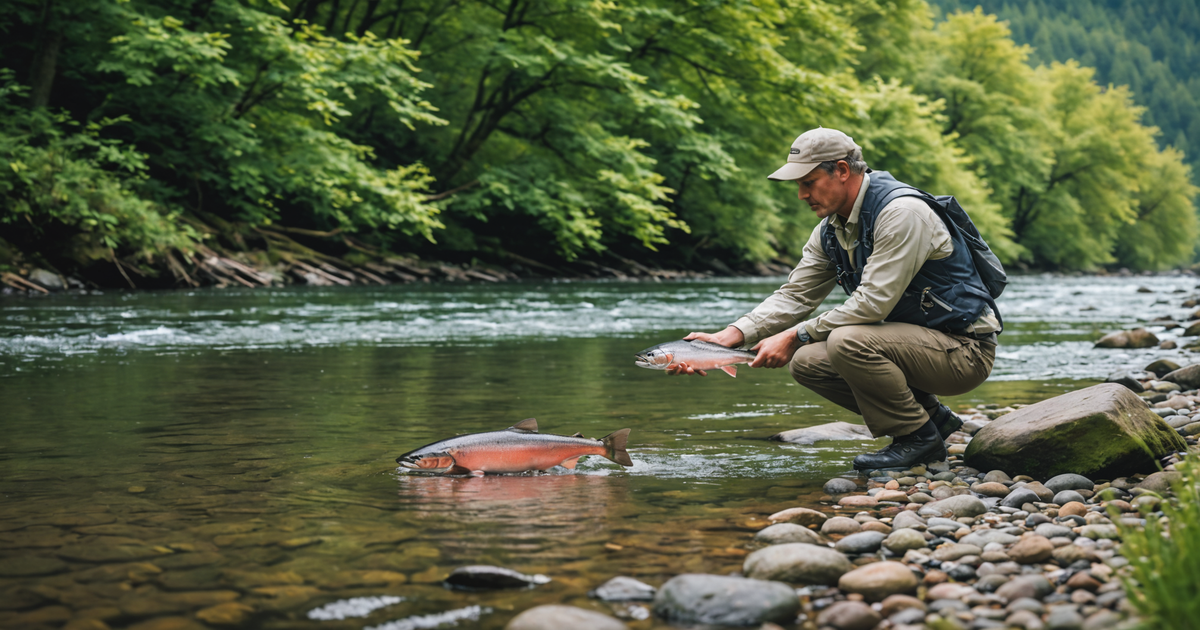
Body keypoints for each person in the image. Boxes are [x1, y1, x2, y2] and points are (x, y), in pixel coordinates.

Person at [672, 127, 1000, 471]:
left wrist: (794, 334)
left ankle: (918, 441)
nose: (800, 194)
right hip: (915, 346)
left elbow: (873, 304)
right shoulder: (831, 230)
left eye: (808, 182)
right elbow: (796, 295)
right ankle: (933, 421)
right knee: (807, 362)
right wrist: (728, 337)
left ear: (842, 171)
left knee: (845, 340)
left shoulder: (902, 213)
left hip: (963, 352)